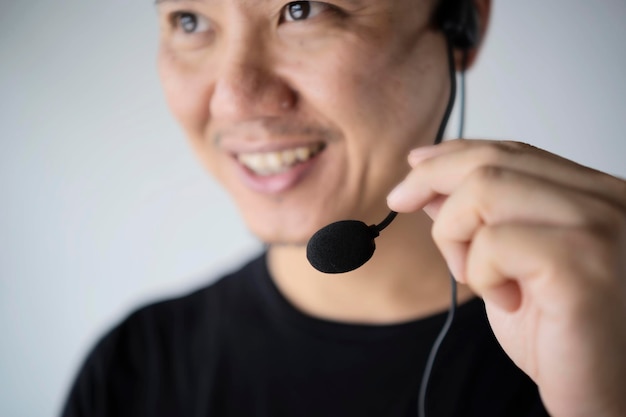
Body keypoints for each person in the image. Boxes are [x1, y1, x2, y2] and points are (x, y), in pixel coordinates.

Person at [61, 0, 626, 416]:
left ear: (462, 24)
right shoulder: (132, 370)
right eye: (190, 21)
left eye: (302, 10)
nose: (233, 98)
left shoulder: (610, 340)